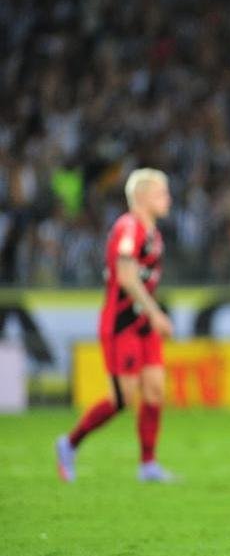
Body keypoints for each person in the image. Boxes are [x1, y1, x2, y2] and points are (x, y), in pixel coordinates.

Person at [55, 169, 175, 483]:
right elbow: (126, 276)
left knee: (156, 390)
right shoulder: (128, 227)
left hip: (142, 323)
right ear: (142, 197)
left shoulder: (153, 233)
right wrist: (156, 314)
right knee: (123, 398)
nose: (168, 199)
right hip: (122, 323)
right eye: (161, 193)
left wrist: (150, 315)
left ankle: (148, 464)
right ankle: (69, 443)